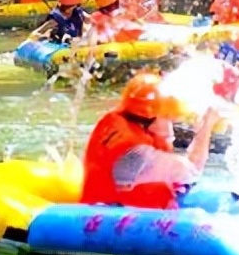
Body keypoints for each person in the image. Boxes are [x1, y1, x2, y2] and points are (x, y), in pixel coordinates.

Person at [80, 71, 220, 209]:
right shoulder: (134, 153)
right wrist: (207, 125)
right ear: (148, 118)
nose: (171, 126)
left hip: (116, 206)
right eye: (167, 117)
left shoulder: (119, 126)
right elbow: (191, 172)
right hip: (113, 219)